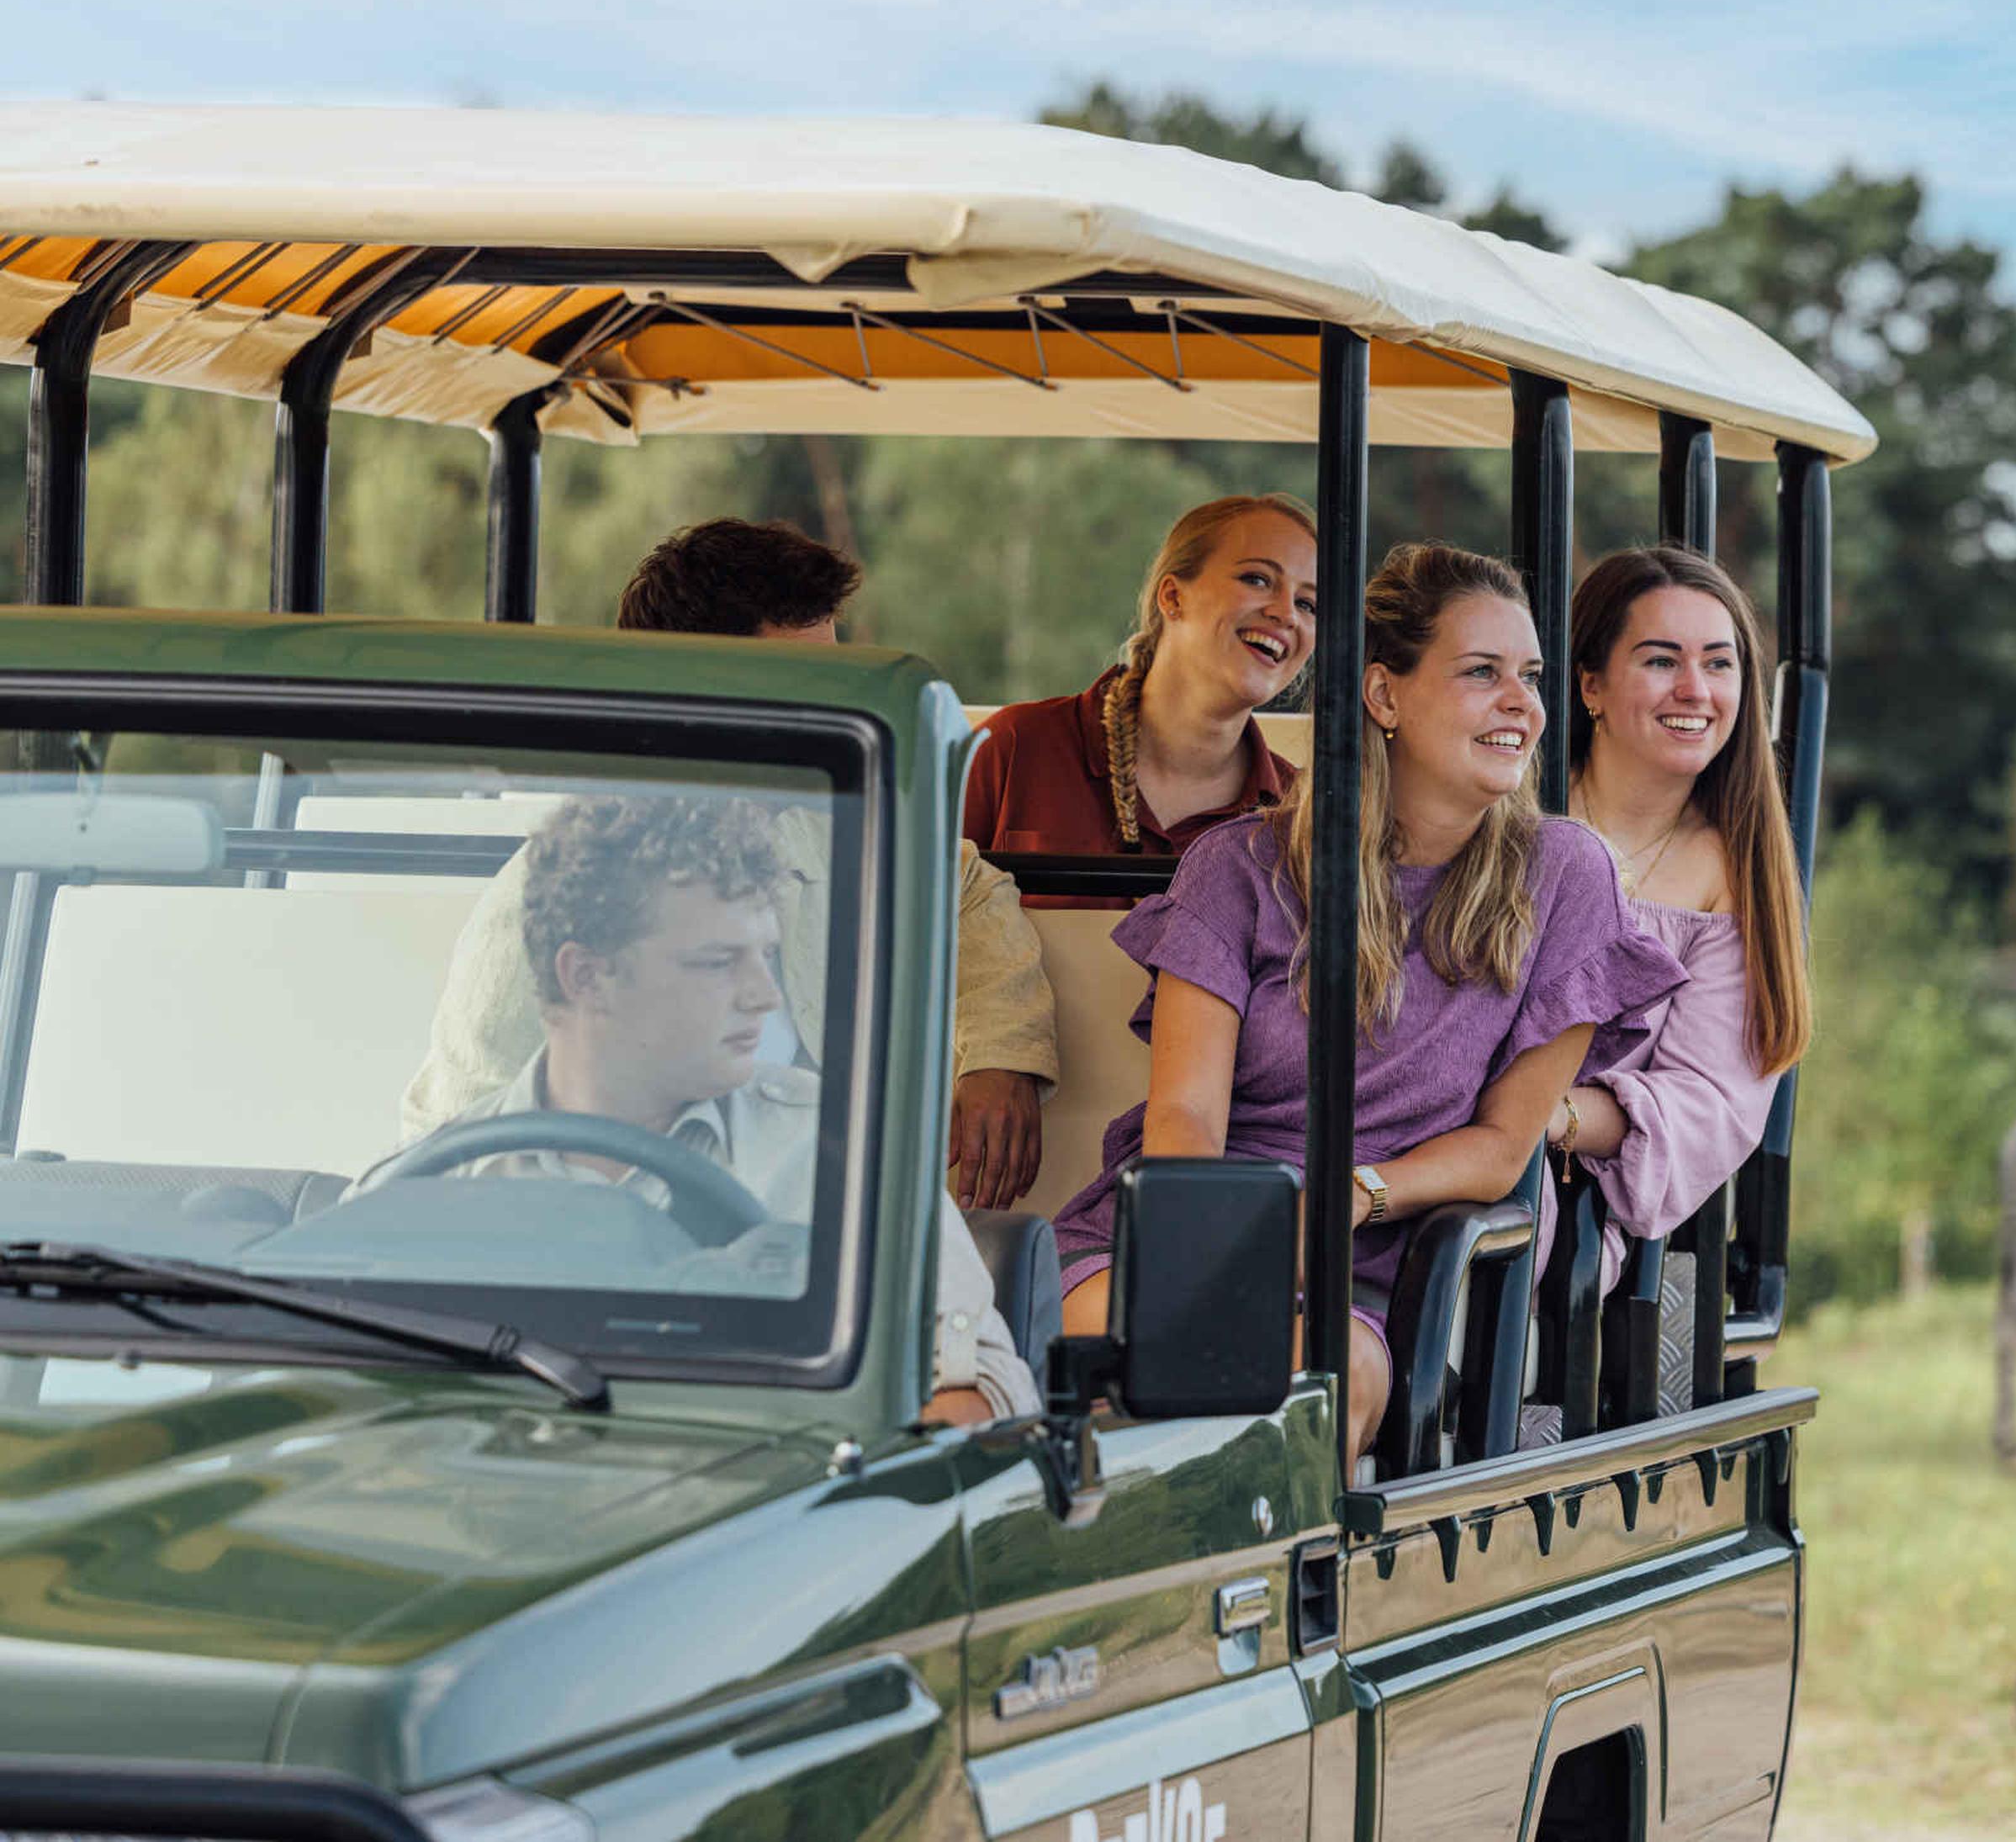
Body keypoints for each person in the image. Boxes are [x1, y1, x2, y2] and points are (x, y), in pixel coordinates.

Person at [1053, 543, 1685, 1459]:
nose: (1523, 704)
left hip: (1377, 1261)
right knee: (1128, 1381)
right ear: (1385, 696)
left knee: (1299, 1403)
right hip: (1196, 1229)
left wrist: (1353, 1198)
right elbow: (1186, 1109)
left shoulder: (1564, 876)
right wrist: (1217, 1255)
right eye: (1482, 673)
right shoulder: (1237, 867)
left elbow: (1504, 1146)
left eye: (1531, 676)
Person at [401, 519, 1064, 1212]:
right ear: (695, 694)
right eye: (801, 685)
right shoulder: (559, 898)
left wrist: (1001, 1051)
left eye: (837, 680)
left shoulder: (817, 817)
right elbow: (454, 1150)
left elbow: (962, 885)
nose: (838, 712)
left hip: (820, 1234)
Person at [371, 793, 1038, 1424]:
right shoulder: (437, 1183)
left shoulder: (842, 1154)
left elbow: (982, 1390)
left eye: (767, 959)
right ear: (585, 975)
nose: (762, 995)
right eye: (719, 963)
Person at [1543, 546, 1814, 1412]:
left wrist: (1541, 1118)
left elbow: (1707, 1103)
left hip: (1562, 1199)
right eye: (1661, 660)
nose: (1696, 689)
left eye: (1720, 663)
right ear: (1590, 686)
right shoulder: (1506, 814)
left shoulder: (1732, 877)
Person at [963, 495, 1316, 908]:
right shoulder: (1013, 746)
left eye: (1308, 604)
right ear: (1172, 597)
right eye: (1257, 579)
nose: (1287, 614)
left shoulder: (1302, 817)